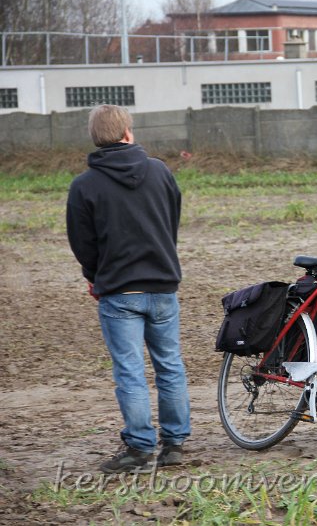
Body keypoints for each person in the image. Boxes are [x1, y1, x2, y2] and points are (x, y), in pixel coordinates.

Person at [66, 104, 190, 473]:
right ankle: (174, 443)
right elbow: (171, 219)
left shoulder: (83, 185)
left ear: (95, 138)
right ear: (127, 133)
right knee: (170, 365)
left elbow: (82, 242)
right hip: (162, 283)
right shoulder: (160, 171)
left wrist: (94, 275)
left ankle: (139, 448)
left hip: (119, 291)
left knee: (130, 371)